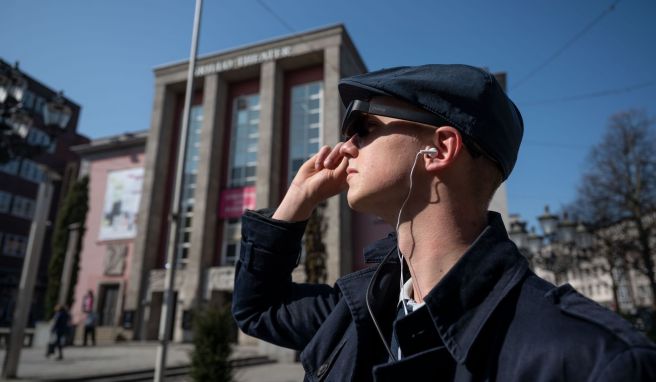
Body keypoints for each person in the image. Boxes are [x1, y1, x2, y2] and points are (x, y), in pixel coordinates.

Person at [232, 64, 656, 381]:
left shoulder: (591, 359)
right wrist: (295, 201)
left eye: (363, 126)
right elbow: (258, 309)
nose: (345, 147)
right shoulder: (360, 310)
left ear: (439, 149)